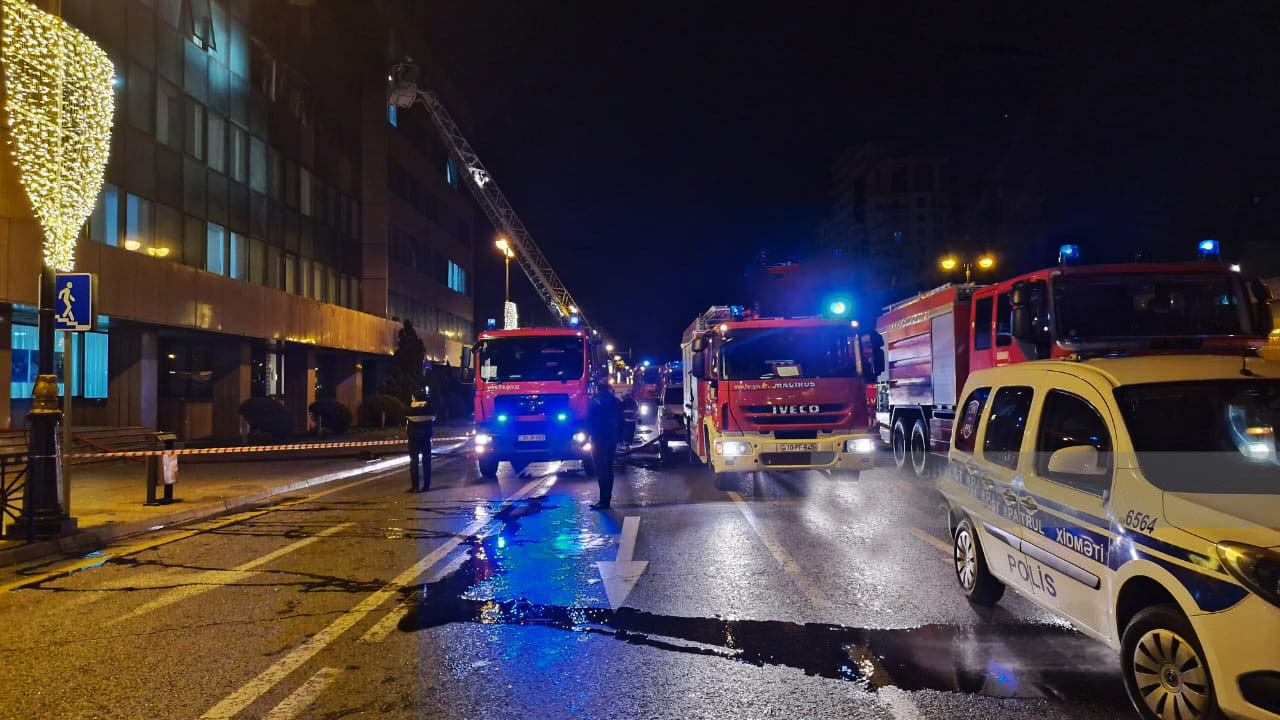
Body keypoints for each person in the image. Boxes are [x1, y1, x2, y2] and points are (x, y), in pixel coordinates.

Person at [587, 375, 621, 509]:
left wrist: (586, 438)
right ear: (609, 388)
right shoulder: (615, 401)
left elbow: (589, 421)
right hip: (611, 439)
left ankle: (603, 501)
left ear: (598, 388)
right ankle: (607, 499)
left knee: (601, 470)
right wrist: (620, 438)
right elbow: (621, 421)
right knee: (609, 468)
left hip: (598, 439)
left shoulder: (594, 401)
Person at [406, 386, 436, 492]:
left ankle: (415, 487)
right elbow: (434, 417)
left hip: (413, 438)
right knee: (426, 461)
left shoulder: (409, 409)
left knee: (413, 462)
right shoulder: (429, 408)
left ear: (414, 398)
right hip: (426, 438)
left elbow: (404, 415)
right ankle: (426, 486)